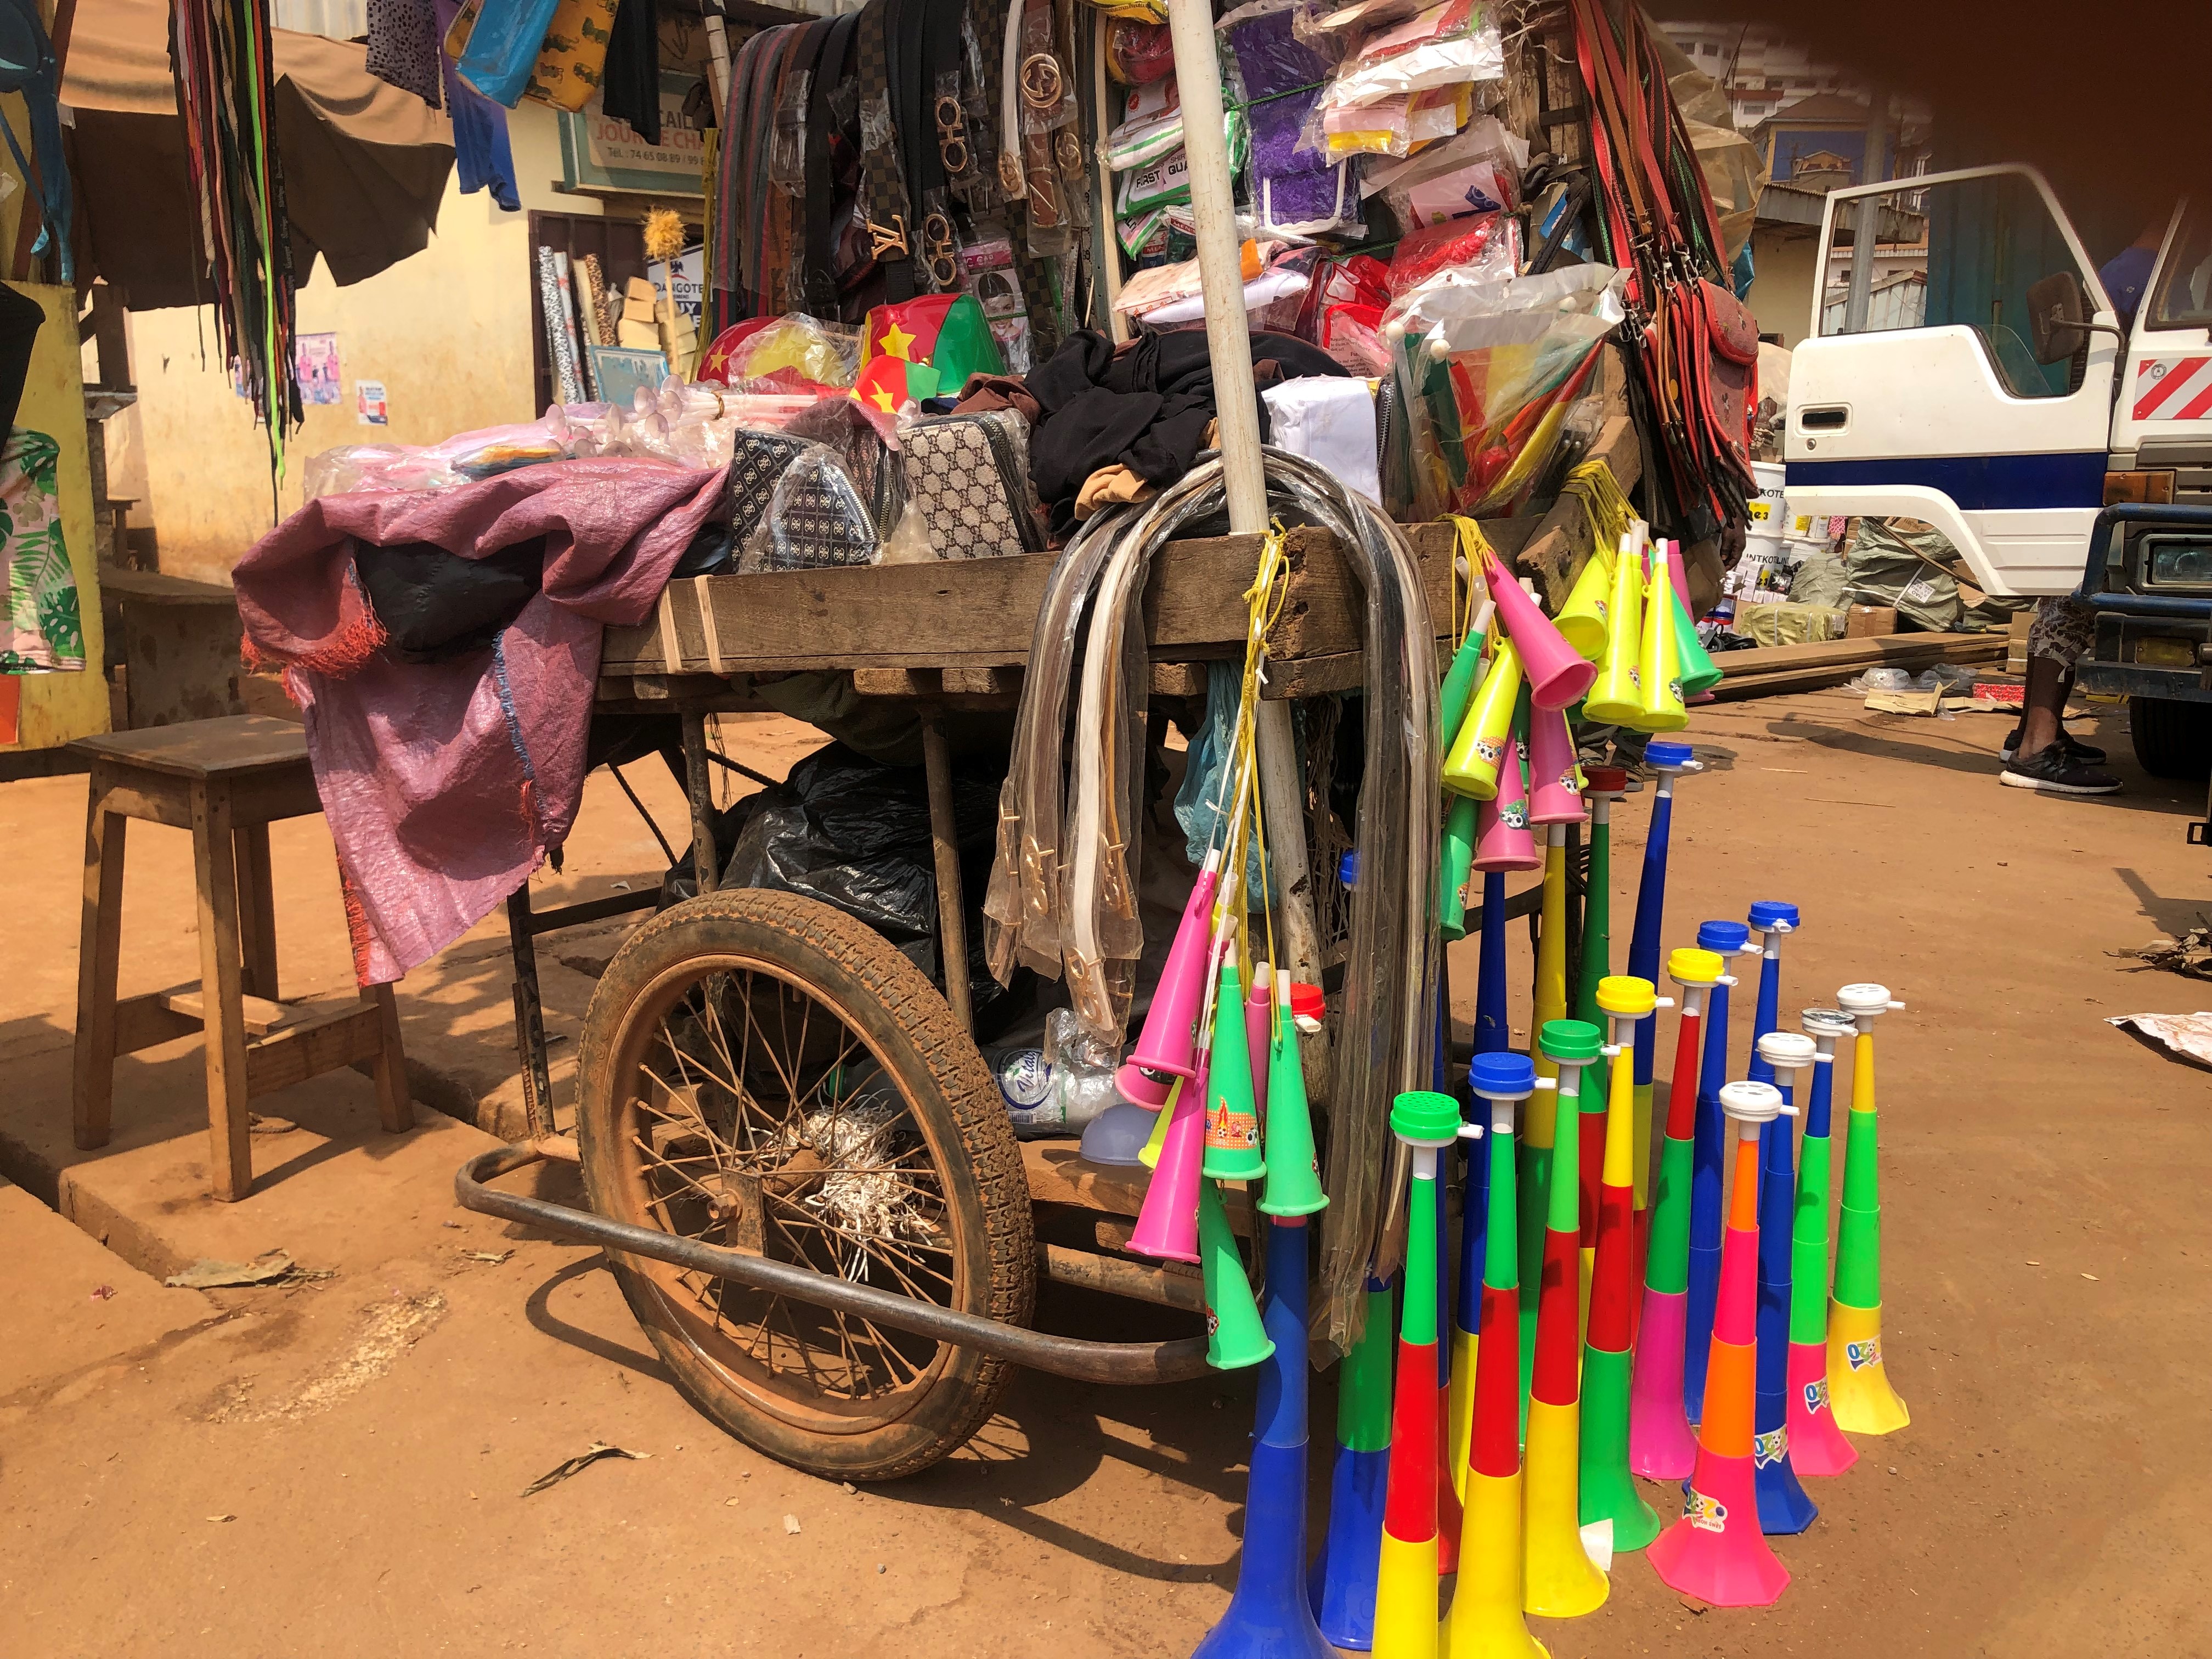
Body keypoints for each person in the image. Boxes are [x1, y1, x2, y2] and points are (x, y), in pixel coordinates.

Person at [1997, 224, 2170, 795]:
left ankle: (2034, 734)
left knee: (2069, 597)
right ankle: (2035, 749)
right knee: (2072, 597)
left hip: (2108, 451)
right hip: (2111, 458)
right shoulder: (2133, 277)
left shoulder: (2136, 272)